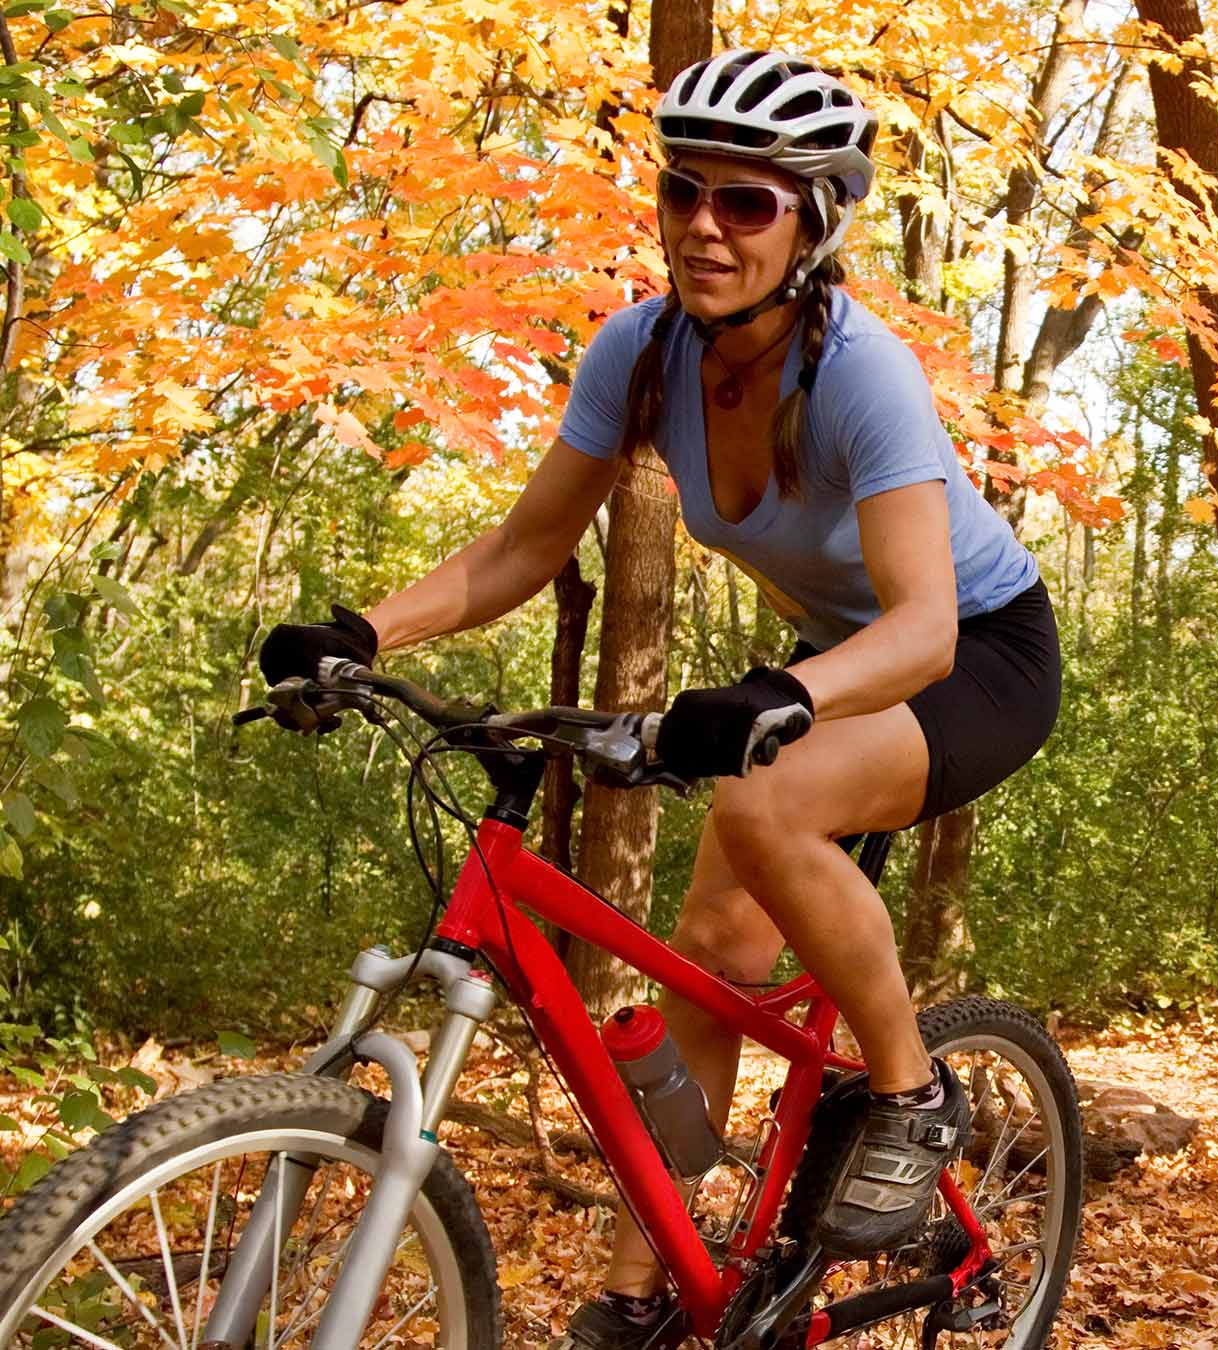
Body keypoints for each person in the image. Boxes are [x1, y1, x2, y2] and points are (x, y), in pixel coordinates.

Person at [254, 50, 1061, 1348]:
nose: (703, 224)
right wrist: (362, 628)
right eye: (686, 190)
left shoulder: (861, 373)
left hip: (977, 655)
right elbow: (519, 553)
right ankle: (647, 1289)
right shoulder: (638, 356)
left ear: (813, 220)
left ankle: (911, 1094)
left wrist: (776, 694)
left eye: (748, 203)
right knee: (714, 961)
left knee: (768, 800)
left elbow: (919, 627)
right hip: (825, 673)